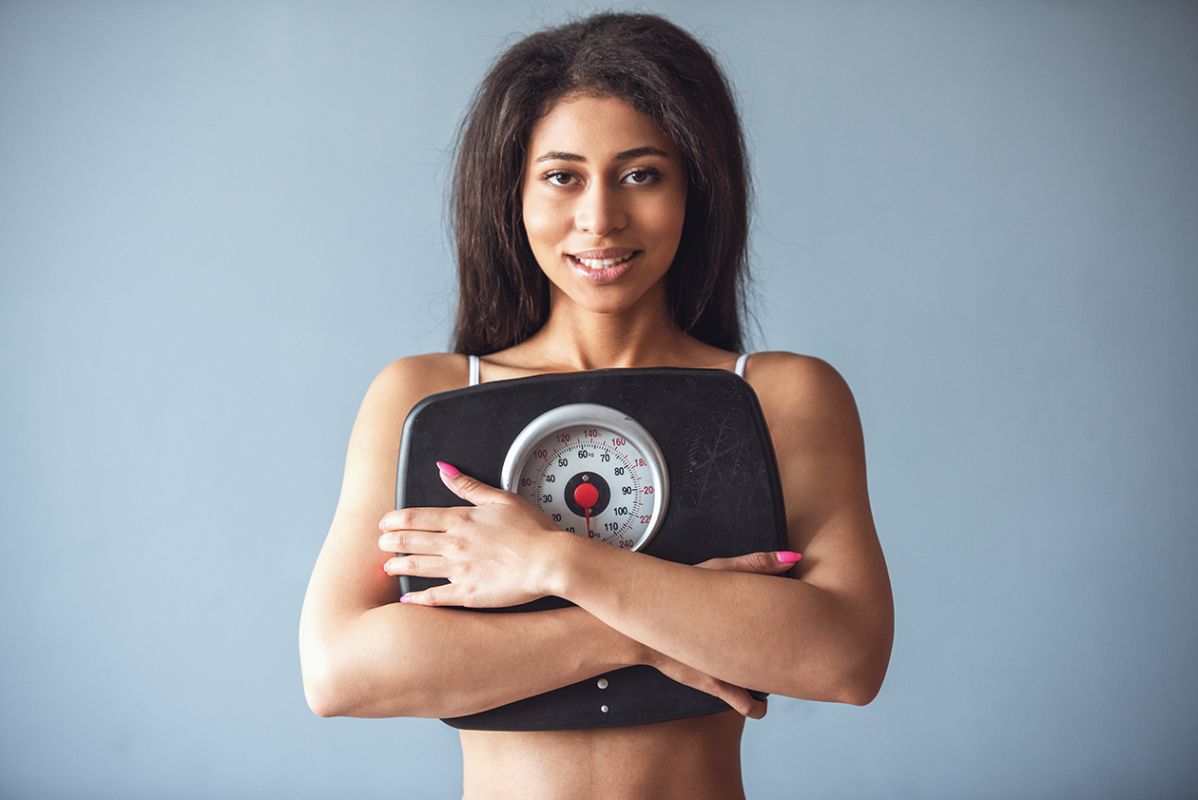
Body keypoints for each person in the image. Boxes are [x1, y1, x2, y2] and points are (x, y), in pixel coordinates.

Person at [298, 11, 894, 799]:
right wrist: (651, 631)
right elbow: (341, 672)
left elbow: (845, 658)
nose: (600, 218)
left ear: (696, 189)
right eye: (562, 175)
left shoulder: (781, 397)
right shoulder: (426, 397)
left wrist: (554, 562)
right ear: (511, 190)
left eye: (642, 173)